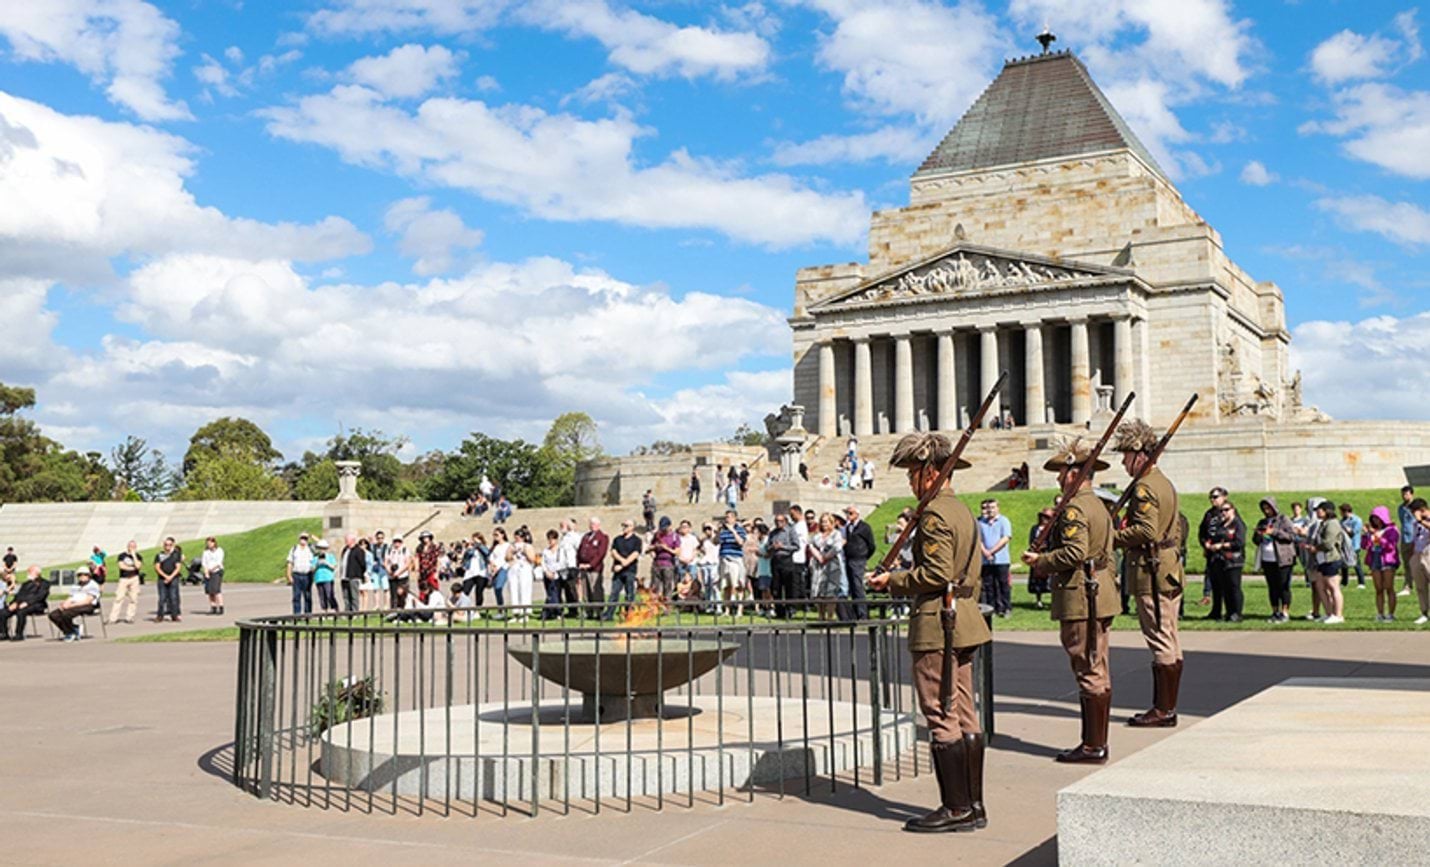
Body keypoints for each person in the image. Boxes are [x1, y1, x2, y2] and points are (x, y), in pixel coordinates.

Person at [867, 432, 989, 834]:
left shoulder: (935, 513)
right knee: (966, 714)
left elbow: (936, 573)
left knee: (940, 712)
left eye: (913, 473)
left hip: (938, 623)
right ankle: (972, 805)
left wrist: (894, 580)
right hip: (965, 618)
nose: (910, 481)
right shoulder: (963, 510)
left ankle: (954, 809)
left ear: (931, 471)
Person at [1024, 436, 1117, 762]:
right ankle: (1096, 742)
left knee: (1087, 666)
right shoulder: (1099, 504)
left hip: (1081, 594)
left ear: (1072, 473)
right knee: (1098, 665)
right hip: (1100, 591)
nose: (1058, 479)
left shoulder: (1076, 506)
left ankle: (1093, 746)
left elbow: (1076, 552)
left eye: (1061, 473)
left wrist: (1041, 562)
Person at [1111, 420, 1184, 729]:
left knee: (1161, 638)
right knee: (1169, 637)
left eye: (1126, 455)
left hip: (1152, 570)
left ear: (1140, 454)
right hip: (1167, 566)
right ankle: (1165, 707)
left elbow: (1147, 530)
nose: (1123, 462)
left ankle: (1164, 709)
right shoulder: (1163, 482)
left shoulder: (1145, 486)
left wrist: (1110, 538)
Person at [1253, 498, 1297, 622]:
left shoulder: (1283, 519)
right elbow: (1255, 541)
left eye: (1268, 508)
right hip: (1267, 559)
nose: (1266, 511)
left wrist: (1274, 532)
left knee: (1283, 586)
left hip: (1283, 559)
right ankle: (1275, 611)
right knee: (1272, 587)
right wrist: (1259, 535)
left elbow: (1291, 536)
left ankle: (1285, 611)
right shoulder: (1262, 521)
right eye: (1264, 508)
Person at [1205, 501, 1246, 622]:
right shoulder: (1221, 524)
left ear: (1233, 510)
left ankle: (1237, 613)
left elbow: (1239, 542)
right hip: (1221, 561)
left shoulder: (1238, 524)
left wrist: (1221, 546)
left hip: (1234, 560)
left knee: (1234, 587)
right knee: (1225, 588)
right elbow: (1214, 537)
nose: (1223, 512)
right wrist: (1210, 544)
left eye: (1226, 510)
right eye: (1222, 510)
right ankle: (1228, 613)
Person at [1311, 499, 1347, 624]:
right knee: (1320, 586)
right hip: (1322, 560)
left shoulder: (1332, 523)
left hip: (1331, 559)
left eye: (1319, 510)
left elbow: (1329, 543)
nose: (1317, 512)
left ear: (1326, 511)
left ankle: (1338, 614)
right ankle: (1329, 613)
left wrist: (1315, 548)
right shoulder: (1323, 523)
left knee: (1333, 587)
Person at [977, 499, 1013, 618]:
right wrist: (985, 552)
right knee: (988, 586)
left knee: (1003, 585)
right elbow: (978, 540)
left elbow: (1005, 538)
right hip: (986, 560)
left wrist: (991, 551)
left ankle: (1005, 607)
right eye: (988, 508)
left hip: (1001, 559)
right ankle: (991, 608)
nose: (990, 510)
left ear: (998, 508)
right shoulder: (980, 522)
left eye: (993, 507)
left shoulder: (1004, 521)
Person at [1363, 506, 1400, 622]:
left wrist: (1379, 537)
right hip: (1375, 558)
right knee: (1378, 589)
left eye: (1378, 518)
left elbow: (1391, 546)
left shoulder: (1392, 530)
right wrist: (1365, 535)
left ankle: (1391, 613)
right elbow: (1364, 545)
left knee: (1389, 587)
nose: (1375, 521)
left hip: (1388, 560)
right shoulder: (1371, 531)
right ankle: (1380, 613)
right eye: (1373, 518)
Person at [49, 565, 102, 641]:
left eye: (85, 574)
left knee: (66, 614)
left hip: (88, 606)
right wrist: (65, 604)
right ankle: (72, 629)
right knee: (53, 615)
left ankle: (70, 633)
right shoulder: (75, 586)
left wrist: (71, 606)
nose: (82, 576)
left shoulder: (93, 585)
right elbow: (71, 597)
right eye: (80, 575)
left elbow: (88, 601)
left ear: (89, 575)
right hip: (74, 605)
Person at [809, 513, 846, 621]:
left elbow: (837, 547)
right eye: (822, 521)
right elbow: (811, 545)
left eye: (826, 521)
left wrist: (826, 557)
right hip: (818, 565)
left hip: (832, 564)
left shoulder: (836, 534)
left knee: (830, 591)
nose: (824, 524)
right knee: (819, 591)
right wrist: (819, 557)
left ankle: (830, 616)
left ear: (831, 522)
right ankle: (821, 615)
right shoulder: (816, 535)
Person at [1197, 487, 1228, 612]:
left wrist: (1221, 544)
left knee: (1225, 580)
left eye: (1215, 497)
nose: (1212, 500)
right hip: (1211, 551)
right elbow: (1202, 531)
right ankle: (1213, 605)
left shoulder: (1227, 512)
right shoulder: (1209, 514)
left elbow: (1233, 532)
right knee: (1211, 576)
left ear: (1224, 497)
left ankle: (1229, 608)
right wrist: (1205, 544)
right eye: (1211, 497)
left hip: (1224, 552)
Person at [841, 505, 875, 620]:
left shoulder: (864, 527)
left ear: (857, 514)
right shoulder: (847, 527)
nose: (848, 516)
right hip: (848, 559)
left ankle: (863, 613)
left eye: (850, 513)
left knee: (858, 586)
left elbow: (871, 545)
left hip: (858, 559)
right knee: (852, 586)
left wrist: (863, 556)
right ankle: (855, 612)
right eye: (847, 513)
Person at [605, 520, 642, 620]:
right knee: (614, 593)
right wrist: (621, 561)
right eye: (623, 525)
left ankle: (629, 614)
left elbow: (635, 554)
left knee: (629, 594)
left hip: (630, 570)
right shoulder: (617, 539)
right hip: (618, 571)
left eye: (627, 525)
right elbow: (613, 552)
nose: (624, 527)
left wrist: (622, 565)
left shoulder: (637, 540)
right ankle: (608, 614)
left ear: (632, 527)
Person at [0, 566, 50, 640]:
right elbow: (19, 595)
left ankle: (19, 634)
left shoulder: (44, 583)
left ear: (36, 573)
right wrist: (15, 603)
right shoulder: (26, 583)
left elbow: (40, 596)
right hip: (20, 604)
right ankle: (3, 633)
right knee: (3, 612)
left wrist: (27, 603)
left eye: (30, 572)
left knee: (21, 612)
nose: (28, 573)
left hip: (36, 605)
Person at [576, 517, 610, 616]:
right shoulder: (586, 536)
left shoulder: (602, 537)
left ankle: (599, 611)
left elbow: (601, 554)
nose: (592, 526)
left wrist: (590, 565)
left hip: (595, 569)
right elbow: (579, 551)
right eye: (591, 524)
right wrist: (579, 563)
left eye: (594, 524)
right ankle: (588, 611)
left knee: (595, 589)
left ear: (599, 525)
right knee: (585, 591)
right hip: (583, 568)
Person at [716, 511, 748, 616]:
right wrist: (717, 532)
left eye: (729, 517)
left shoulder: (740, 530)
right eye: (726, 517)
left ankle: (739, 609)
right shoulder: (723, 531)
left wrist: (733, 531)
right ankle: (727, 610)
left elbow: (741, 542)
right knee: (726, 585)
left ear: (734, 518)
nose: (727, 519)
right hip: (724, 559)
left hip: (735, 559)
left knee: (738, 585)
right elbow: (716, 542)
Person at [108, 540, 144, 625]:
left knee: (133, 599)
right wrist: (133, 568)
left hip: (134, 578)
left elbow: (138, 566)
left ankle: (129, 617)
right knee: (119, 598)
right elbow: (121, 566)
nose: (132, 548)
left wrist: (134, 555)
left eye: (134, 546)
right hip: (124, 579)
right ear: (127, 546)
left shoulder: (138, 556)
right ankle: (113, 618)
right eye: (131, 546)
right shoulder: (122, 556)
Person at [1407, 497, 1430, 624]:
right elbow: (1415, 538)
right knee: (1420, 586)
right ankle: (1424, 612)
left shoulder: (1422, 520)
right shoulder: (1416, 523)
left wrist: (1421, 520)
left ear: (1421, 510)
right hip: (1417, 554)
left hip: (1429, 553)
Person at [506, 528, 537, 620]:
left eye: (519, 537)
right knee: (513, 590)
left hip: (525, 568)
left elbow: (532, 559)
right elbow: (507, 558)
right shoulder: (511, 546)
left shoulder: (528, 546)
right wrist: (512, 552)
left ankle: (525, 612)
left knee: (524, 589)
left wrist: (524, 551)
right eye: (516, 537)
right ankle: (515, 612)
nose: (517, 538)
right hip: (514, 568)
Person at [1026, 510, 1053, 609]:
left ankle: (1052, 600)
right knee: (1036, 579)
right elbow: (1031, 540)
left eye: (1046, 517)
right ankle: (1038, 600)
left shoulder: (1051, 529)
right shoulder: (1035, 528)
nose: (1044, 519)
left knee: (1049, 579)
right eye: (1042, 517)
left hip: (1047, 554)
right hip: (1036, 555)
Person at [154, 536, 183, 623]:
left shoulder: (176, 555)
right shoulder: (159, 555)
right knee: (162, 598)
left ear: (172, 545)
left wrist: (171, 577)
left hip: (173, 579)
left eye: (169, 545)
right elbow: (157, 568)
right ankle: (160, 616)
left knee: (173, 597)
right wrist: (165, 576)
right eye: (166, 545)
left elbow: (178, 567)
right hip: (162, 579)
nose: (167, 547)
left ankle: (174, 615)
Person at [650, 517, 680, 600]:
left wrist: (666, 548)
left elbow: (677, 552)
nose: (663, 530)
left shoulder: (674, 536)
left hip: (668, 564)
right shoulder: (657, 535)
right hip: (656, 563)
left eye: (665, 528)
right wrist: (654, 548)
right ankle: (653, 606)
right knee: (654, 586)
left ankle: (667, 606)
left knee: (667, 586)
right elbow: (650, 547)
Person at [287, 531, 315, 615]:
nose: (304, 540)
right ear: (299, 539)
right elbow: (290, 562)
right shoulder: (294, 548)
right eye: (302, 538)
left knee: (308, 596)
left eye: (305, 538)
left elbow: (322, 545)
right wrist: (289, 575)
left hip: (307, 575)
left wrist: (312, 536)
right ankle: (297, 615)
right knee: (296, 596)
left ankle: (308, 614)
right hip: (296, 575)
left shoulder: (311, 548)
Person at [1338, 503, 1366, 590]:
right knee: (1344, 565)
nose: (1341, 514)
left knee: (1356, 564)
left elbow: (1353, 533)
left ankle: (1361, 582)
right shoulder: (1341, 521)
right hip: (1344, 546)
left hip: (1354, 545)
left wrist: (1347, 530)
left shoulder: (1357, 520)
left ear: (1346, 511)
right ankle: (1344, 582)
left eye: (1341, 512)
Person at [540, 530, 564, 620]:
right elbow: (543, 562)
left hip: (557, 575)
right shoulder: (546, 551)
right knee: (550, 593)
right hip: (547, 575)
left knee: (556, 593)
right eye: (549, 539)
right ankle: (552, 611)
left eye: (552, 539)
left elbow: (561, 562)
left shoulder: (560, 550)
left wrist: (555, 572)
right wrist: (546, 571)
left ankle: (557, 611)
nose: (550, 541)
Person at [1398, 485, 1417, 597]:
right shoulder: (1401, 508)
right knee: (1407, 564)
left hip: (1416, 538)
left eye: (1406, 494)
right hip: (1405, 538)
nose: (1404, 496)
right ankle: (1407, 586)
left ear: (1411, 494)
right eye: (1403, 494)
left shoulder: (1417, 506)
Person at [487, 527, 511, 610]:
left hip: (503, 568)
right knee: (496, 590)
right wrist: (492, 565)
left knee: (498, 587)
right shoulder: (495, 546)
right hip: (494, 569)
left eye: (497, 535)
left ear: (502, 535)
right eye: (494, 535)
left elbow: (506, 558)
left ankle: (501, 608)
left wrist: (498, 568)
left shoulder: (507, 545)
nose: (495, 537)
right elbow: (491, 557)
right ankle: (500, 608)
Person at [340, 533, 365, 612]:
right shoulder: (345, 550)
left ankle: (355, 612)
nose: (345, 541)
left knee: (354, 596)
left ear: (352, 540)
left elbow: (363, 564)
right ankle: (347, 612)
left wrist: (360, 575)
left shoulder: (359, 551)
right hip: (344, 577)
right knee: (346, 596)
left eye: (347, 540)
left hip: (354, 577)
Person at [201, 536, 226, 616]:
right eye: (207, 543)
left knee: (216, 589)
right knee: (209, 590)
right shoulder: (206, 552)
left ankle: (221, 607)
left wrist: (211, 569)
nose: (209, 544)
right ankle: (213, 607)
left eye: (210, 543)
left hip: (217, 571)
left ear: (214, 543)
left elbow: (219, 562)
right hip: (208, 572)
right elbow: (204, 563)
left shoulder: (219, 551)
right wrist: (206, 572)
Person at [312, 540, 338, 612]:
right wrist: (317, 564)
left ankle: (335, 609)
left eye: (323, 548)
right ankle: (324, 610)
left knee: (329, 594)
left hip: (328, 578)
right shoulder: (315, 558)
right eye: (320, 548)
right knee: (322, 596)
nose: (322, 550)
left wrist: (327, 563)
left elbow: (334, 567)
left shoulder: (330, 556)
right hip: (319, 579)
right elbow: (312, 569)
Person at [385, 536, 410, 609]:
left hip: (402, 576)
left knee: (402, 594)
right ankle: (393, 611)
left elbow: (407, 563)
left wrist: (399, 572)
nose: (397, 544)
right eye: (395, 541)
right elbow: (386, 562)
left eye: (399, 542)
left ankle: (402, 611)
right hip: (392, 576)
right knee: (393, 595)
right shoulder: (389, 550)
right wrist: (389, 571)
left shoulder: (405, 550)